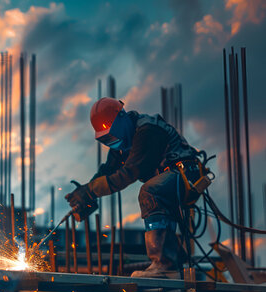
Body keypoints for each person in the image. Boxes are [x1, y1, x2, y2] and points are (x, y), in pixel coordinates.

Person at [65, 97, 201, 278]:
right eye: (105, 139)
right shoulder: (122, 144)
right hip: (170, 178)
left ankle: (164, 264)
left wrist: (90, 190)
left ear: (122, 118)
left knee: (150, 191)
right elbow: (108, 171)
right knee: (156, 193)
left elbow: (128, 174)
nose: (111, 141)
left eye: (111, 136)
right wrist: (86, 193)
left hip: (186, 175)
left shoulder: (147, 131)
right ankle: (173, 259)